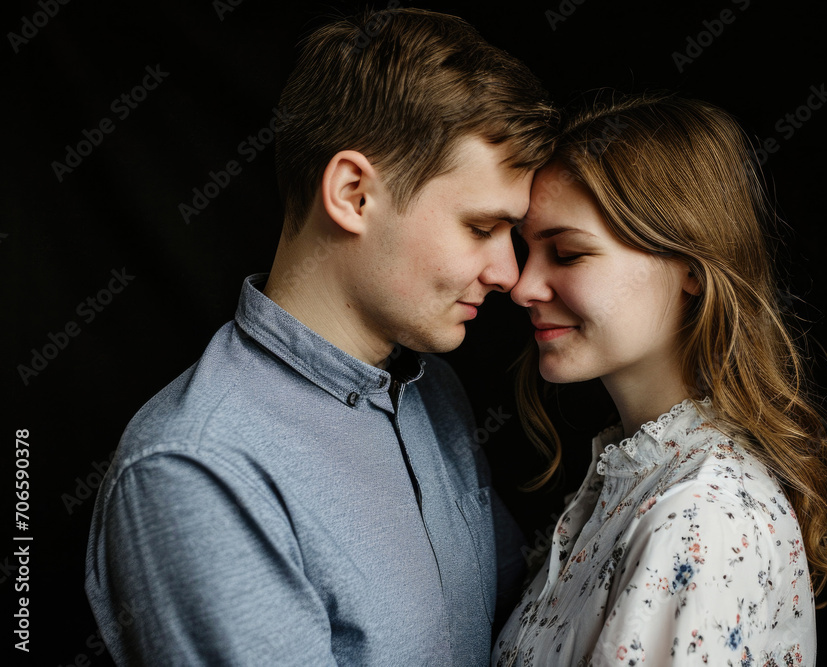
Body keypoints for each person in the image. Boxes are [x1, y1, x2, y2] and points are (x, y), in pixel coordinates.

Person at [85, 8, 558, 665]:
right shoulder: (198, 468)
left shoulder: (432, 389)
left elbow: (523, 626)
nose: (509, 272)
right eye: (481, 228)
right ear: (353, 193)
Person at [492, 94, 827, 666]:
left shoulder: (697, 514)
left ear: (690, 268)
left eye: (566, 254)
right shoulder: (635, 476)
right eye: (526, 250)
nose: (522, 287)